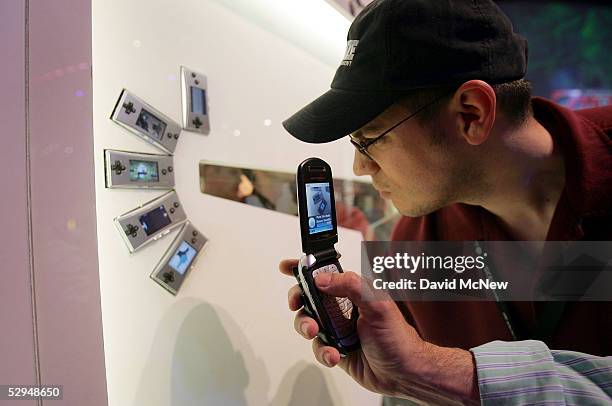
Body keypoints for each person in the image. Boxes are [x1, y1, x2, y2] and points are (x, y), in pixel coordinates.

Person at [279, 0, 612, 404]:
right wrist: (402, 374)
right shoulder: (414, 245)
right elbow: (401, 380)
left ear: (471, 113)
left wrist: (433, 368)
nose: (360, 166)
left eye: (369, 139)